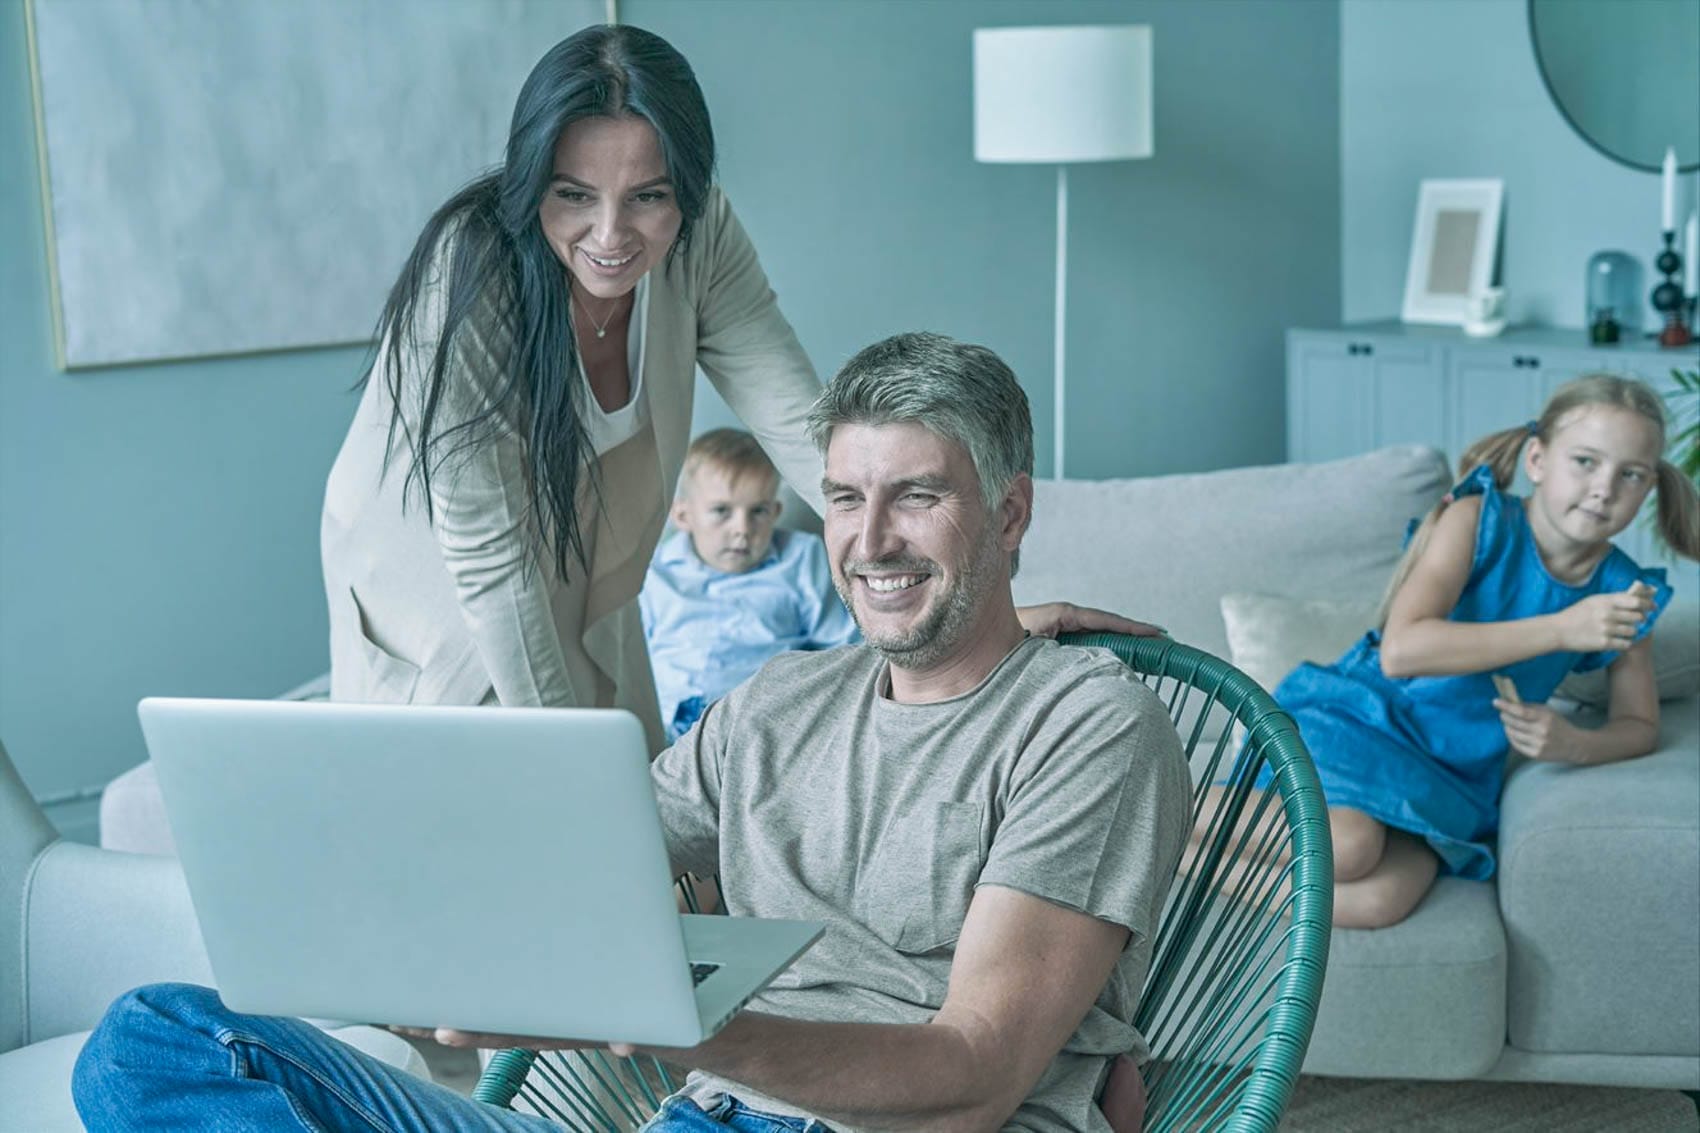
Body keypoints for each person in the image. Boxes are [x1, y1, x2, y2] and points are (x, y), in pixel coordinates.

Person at [74, 332, 1194, 1132]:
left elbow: (974, 1073)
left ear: (1006, 511)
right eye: (844, 497)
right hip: (699, 1114)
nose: (868, 538)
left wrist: (677, 1030)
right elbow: (562, 857)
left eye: (916, 496)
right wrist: (416, 931)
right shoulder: (776, 704)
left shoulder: (1086, 725)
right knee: (155, 1039)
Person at [318, 24, 1152, 752]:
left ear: (689, 186)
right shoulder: (466, 280)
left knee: (645, 849)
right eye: (573, 195)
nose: (610, 237)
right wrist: (572, 782)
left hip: (592, 587)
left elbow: (807, 430)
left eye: (649, 198)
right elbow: (493, 568)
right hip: (444, 612)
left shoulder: (704, 235)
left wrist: (978, 616)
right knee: (512, 846)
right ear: (531, 176)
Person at [1219, 373, 1699, 930]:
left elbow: (1639, 725)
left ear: (1648, 490)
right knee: (1349, 847)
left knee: (1378, 902)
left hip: (1452, 772)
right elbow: (1403, 650)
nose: (1604, 488)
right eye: (1586, 461)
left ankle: (1176, 860)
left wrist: (1575, 744)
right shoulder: (1477, 520)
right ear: (1538, 460)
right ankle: (1155, 806)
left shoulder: (1622, 591)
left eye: (1630, 474)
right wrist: (1562, 629)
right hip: (1363, 721)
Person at [642, 428, 859, 740]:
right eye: (721, 511)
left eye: (758, 511)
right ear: (683, 515)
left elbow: (842, 648)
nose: (742, 529)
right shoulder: (656, 574)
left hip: (764, 730)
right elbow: (630, 665)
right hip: (669, 731)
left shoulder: (799, 558)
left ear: (775, 512)